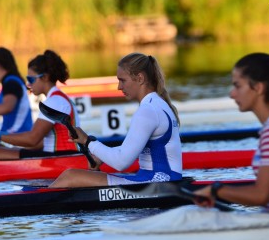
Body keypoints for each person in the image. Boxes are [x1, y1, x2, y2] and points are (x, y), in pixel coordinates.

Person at [193, 52, 269, 215]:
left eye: (237, 86)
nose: (232, 94)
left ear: (258, 88)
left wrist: (215, 190)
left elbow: (261, 195)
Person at [49, 52, 182, 188]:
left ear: (140, 78)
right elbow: (139, 149)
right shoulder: (158, 103)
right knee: (71, 176)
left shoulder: (148, 110)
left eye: (122, 80)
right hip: (161, 179)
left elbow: (121, 162)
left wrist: (87, 141)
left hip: (158, 183)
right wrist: (102, 156)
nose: (119, 86)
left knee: (70, 176)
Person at [0, 49, 79, 159]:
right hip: (63, 155)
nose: (28, 84)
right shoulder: (60, 98)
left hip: (61, 159)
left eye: (31, 79)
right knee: (4, 151)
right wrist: (13, 148)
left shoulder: (53, 102)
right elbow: (40, 142)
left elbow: (32, 139)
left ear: (45, 77)